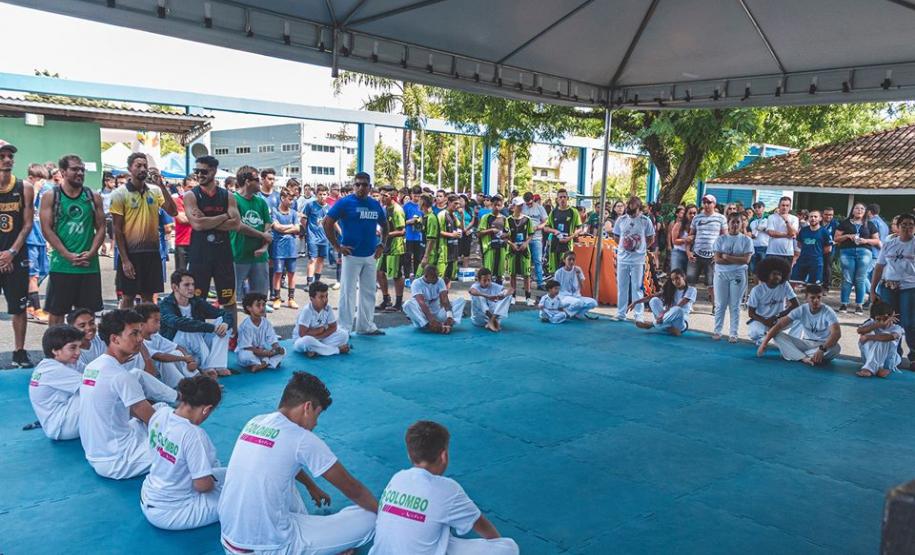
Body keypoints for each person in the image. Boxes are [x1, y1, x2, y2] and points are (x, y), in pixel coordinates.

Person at [217, 372, 377, 555]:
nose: (316, 424)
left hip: (230, 541)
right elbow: (352, 488)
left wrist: (311, 486)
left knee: (277, 477)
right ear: (307, 407)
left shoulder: (256, 422)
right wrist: (386, 515)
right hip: (271, 548)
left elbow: (281, 461)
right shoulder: (302, 438)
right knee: (369, 517)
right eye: (317, 415)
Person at [369, 420, 519, 555]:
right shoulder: (448, 489)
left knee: (436, 532)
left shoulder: (397, 478)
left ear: (409, 455)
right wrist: (497, 544)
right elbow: (481, 525)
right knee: (509, 548)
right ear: (444, 456)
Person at [79, 309, 176, 480]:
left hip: (96, 452)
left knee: (161, 408)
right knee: (179, 442)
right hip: (118, 460)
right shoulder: (120, 375)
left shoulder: (93, 366)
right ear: (114, 339)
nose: (140, 339)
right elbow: (153, 420)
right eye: (134, 334)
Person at [141, 375, 224, 531]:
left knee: (230, 474)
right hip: (173, 512)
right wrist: (213, 482)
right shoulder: (193, 434)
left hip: (149, 495)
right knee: (240, 497)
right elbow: (202, 486)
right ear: (206, 409)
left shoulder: (161, 412)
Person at [40, 154, 105, 327]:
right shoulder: (51, 196)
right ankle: (55, 352)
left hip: (88, 267)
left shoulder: (93, 196)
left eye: (82, 169)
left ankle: (85, 352)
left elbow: (102, 228)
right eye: (75, 169)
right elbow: (46, 229)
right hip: (62, 265)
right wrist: (66, 254)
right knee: (57, 314)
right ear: (63, 171)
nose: (80, 173)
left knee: (87, 316)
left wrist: (91, 253)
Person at [111, 153, 178, 308]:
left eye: (145, 166)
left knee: (149, 297)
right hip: (131, 254)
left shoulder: (155, 191)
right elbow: (117, 229)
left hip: (152, 252)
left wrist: (161, 185)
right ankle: (125, 329)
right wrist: (125, 260)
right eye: (138, 165)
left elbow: (173, 211)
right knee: (128, 297)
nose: (142, 169)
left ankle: (148, 331)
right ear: (130, 169)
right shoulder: (119, 193)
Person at [324, 172, 386, 336]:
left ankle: (365, 326)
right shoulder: (345, 203)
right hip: (351, 255)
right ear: (353, 186)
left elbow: (385, 224)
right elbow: (327, 222)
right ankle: (344, 328)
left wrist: (382, 245)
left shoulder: (374, 204)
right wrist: (337, 247)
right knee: (347, 292)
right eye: (357, 184)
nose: (361, 187)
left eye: (364, 184)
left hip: (371, 255)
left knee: (369, 291)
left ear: (370, 187)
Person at [183, 156, 240, 321]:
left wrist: (207, 219)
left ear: (214, 171)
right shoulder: (191, 196)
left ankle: (232, 337)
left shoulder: (227, 195)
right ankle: (198, 337)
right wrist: (224, 216)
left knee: (228, 301)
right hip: (200, 255)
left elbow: (236, 224)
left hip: (223, 254)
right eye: (196, 171)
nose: (199, 175)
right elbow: (198, 225)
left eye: (203, 171)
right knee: (197, 301)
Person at [159, 270, 233, 378]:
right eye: (186, 285)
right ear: (175, 287)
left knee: (223, 323)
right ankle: (206, 368)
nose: (191, 288)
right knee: (190, 327)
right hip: (176, 349)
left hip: (197, 348)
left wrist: (225, 324)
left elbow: (224, 313)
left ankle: (217, 365)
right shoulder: (165, 304)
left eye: (193, 284)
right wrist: (211, 328)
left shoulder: (196, 301)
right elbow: (177, 323)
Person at [0, 142, 35, 367]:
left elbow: (27, 224)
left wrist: (11, 253)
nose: (7, 160)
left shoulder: (25, 187)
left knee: (19, 307)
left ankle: (20, 350)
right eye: (2, 156)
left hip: (16, 255)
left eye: (9, 156)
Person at [757, 284, 841, 366]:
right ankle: (804, 358)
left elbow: (836, 334)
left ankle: (795, 355)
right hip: (805, 343)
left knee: (836, 348)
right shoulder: (801, 309)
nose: (816, 300)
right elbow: (779, 325)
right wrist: (764, 344)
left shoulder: (828, 312)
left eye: (819, 297)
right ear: (806, 298)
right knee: (777, 335)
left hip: (823, 344)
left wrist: (822, 349)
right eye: (812, 298)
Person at [870, 212, 914, 364]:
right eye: (904, 225)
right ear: (898, 227)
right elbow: (879, 267)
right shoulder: (889, 243)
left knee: (909, 322)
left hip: (910, 288)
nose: (907, 228)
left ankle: (913, 355)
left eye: (911, 225)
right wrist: (873, 290)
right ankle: (894, 355)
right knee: (890, 321)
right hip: (888, 287)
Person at [28, 324, 85, 440]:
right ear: (55, 350)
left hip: (61, 421)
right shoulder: (52, 369)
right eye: (73, 348)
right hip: (61, 427)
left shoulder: (68, 363)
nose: (78, 352)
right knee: (95, 389)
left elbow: (95, 372)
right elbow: (98, 382)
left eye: (79, 347)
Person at [231, 166, 273, 305]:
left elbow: (268, 227)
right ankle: (232, 327)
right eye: (257, 179)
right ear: (248, 181)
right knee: (231, 300)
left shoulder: (260, 202)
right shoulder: (233, 199)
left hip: (260, 258)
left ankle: (261, 327)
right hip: (238, 256)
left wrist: (265, 247)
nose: (260, 182)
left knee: (260, 301)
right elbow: (238, 226)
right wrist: (262, 236)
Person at [133, 303, 200, 388]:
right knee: (165, 360)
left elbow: (178, 347)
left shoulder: (155, 336)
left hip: (161, 373)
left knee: (176, 353)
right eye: (156, 321)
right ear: (141, 324)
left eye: (159, 320)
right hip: (149, 376)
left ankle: (198, 380)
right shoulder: (139, 341)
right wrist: (184, 358)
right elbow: (159, 356)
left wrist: (190, 361)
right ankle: (183, 386)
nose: (159, 324)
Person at [612, 196, 655, 321]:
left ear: (638, 206)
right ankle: (621, 313)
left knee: (637, 287)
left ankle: (638, 315)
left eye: (633, 205)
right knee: (622, 286)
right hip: (623, 259)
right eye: (628, 204)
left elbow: (651, 238)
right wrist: (624, 247)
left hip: (638, 260)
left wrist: (641, 248)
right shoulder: (621, 220)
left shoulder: (645, 221)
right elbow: (616, 236)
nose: (629, 207)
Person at [712, 213, 753, 342]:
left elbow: (746, 260)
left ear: (742, 224)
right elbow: (717, 259)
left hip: (738, 275)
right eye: (732, 222)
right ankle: (717, 331)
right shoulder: (721, 239)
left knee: (735, 305)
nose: (735, 225)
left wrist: (727, 257)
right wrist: (736, 260)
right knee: (720, 304)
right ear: (728, 223)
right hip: (721, 274)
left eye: (737, 222)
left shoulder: (746, 240)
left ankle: (733, 333)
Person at [835, 202, 881, 314]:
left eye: (862, 208)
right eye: (857, 208)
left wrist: (866, 240)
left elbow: (876, 241)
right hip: (847, 251)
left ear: (865, 211)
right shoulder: (845, 223)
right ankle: (844, 304)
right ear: (853, 210)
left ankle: (859, 305)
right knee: (847, 278)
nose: (859, 210)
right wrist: (847, 236)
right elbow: (836, 238)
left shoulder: (869, 224)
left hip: (864, 251)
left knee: (860, 278)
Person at [746, 256, 799, 345]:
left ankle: (789, 341)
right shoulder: (757, 290)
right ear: (767, 274)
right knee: (754, 333)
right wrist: (765, 321)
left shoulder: (784, 285)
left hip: (779, 319)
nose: (778, 277)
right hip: (761, 320)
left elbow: (796, 305)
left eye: (780, 274)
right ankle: (763, 339)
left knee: (799, 320)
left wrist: (777, 316)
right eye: (774, 274)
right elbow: (751, 313)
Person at [687, 194, 726, 307]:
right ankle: (688, 305)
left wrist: (720, 254)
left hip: (712, 256)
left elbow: (725, 238)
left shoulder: (721, 218)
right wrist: (688, 252)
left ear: (714, 204)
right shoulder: (697, 217)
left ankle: (715, 307)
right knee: (690, 282)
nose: (706, 205)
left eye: (709, 202)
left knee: (712, 284)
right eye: (704, 202)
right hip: (696, 254)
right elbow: (690, 237)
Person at [293, 280, 351, 357]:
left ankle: (316, 350)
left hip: (320, 339)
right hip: (302, 341)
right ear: (311, 298)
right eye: (321, 297)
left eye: (326, 296)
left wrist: (322, 335)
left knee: (344, 334)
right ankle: (337, 350)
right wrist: (318, 331)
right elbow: (302, 334)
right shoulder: (307, 310)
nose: (324, 300)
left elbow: (333, 327)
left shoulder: (328, 308)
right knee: (307, 341)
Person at [630, 269, 696, 336]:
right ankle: (668, 328)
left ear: (683, 277)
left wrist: (662, 315)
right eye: (673, 280)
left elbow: (679, 305)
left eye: (677, 278)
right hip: (667, 319)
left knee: (678, 310)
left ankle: (653, 324)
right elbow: (651, 296)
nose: (675, 281)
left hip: (679, 323)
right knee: (654, 300)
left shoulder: (691, 290)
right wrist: (635, 302)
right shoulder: (671, 290)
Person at [404, 264, 466, 334]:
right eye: (433, 277)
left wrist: (449, 316)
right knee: (407, 304)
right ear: (426, 276)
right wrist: (431, 321)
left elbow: (445, 300)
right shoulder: (416, 283)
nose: (436, 278)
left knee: (461, 300)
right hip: (424, 316)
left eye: (437, 276)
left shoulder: (440, 281)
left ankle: (448, 324)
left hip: (438, 314)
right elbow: (422, 303)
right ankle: (428, 326)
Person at [25, 163, 51, 323]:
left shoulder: (45, 192)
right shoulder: (27, 190)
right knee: (32, 276)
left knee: (44, 270)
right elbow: (26, 208)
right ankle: (36, 309)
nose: (42, 182)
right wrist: (34, 189)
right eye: (39, 179)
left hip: (41, 239)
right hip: (29, 240)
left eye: (44, 179)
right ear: (31, 178)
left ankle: (29, 301)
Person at [236, 292, 285, 372]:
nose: (262, 308)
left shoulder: (266, 323)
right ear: (249, 308)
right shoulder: (245, 326)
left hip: (262, 352)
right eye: (258, 305)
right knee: (245, 356)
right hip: (251, 353)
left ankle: (261, 364)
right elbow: (248, 347)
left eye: (264, 305)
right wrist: (266, 354)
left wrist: (277, 348)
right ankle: (266, 363)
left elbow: (273, 340)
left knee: (283, 351)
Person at [376, 185, 406, 312]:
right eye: (381, 195)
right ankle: (386, 299)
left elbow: (402, 230)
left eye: (385, 195)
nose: (382, 197)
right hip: (385, 245)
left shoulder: (397, 210)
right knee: (379, 272)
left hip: (396, 247)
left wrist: (386, 234)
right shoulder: (384, 208)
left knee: (396, 275)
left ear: (392, 196)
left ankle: (398, 303)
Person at [856, 301, 905, 378]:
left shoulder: (897, 328)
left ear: (891, 315)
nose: (882, 322)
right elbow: (859, 330)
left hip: (888, 362)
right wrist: (877, 325)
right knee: (867, 332)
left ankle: (870, 369)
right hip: (868, 358)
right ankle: (878, 368)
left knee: (885, 336)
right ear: (874, 318)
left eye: (885, 318)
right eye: (878, 319)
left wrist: (868, 337)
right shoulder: (872, 323)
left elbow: (891, 337)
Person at [270, 187, 301, 309]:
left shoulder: (293, 213)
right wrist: (290, 226)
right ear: (282, 198)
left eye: (293, 199)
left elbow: (298, 229)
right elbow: (276, 228)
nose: (292, 202)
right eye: (290, 199)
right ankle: (276, 298)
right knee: (277, 272)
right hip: (278, 247)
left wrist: (285, 228)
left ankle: (291, 298)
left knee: (292, 273)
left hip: (292, 247)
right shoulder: (274, 211)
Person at [544, 188, 581, 275]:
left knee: (566, 269)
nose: (562, 199)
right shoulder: (553, 212)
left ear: (568, 198)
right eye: (560, 197)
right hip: (554, 244)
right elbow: (546, 227)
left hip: (567, 246)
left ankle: (566, 288)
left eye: (564, 197)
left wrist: (570, 237)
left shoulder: (573, 212)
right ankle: (557, 287)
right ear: (557, 199)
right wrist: (554, 231)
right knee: (555, 272)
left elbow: (580, 228)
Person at [506, 198, 535, 306]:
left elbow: (531, 234)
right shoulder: (508, 220)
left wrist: (525, 243)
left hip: (524, 249)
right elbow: (505, 236)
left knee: (526, 274)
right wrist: (511, 244)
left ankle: (528, 297)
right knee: (512, 274)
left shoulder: (527, 219)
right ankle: (512, 296)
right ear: (513, 206)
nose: (520, 207)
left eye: (522, 205)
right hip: (512, 249)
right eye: (518, 205)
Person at [553, 251, 598, 319]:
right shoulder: (558, 272)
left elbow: (582, 287)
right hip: (564, 297)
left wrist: (578, 276)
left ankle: (575, 314)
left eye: (573, 259)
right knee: (579, 303)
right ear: (564, 260)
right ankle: (566, 312)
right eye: (569, 259)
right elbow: (555, 289)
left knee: (593, 303)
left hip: (577, 297)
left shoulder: (578, 269)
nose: (571, 262)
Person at [792, 210, 833, 285]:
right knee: (793, 281)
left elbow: (828, 249)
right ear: (808, 218)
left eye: (815, 217)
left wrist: (817, 253)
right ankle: (791, 297)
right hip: (802, 260)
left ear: (820, 218)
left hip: (816, 262)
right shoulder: (803, 230)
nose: (813, 218)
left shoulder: (824, 232)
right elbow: (799, 244)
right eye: (811, 216)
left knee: (814, 286)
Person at [303, 184, 331, 285]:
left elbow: (332, 223)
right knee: (312, 259)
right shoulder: (310, 205)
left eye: (324, 194)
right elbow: (303, 219)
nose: (322, 196)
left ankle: (317, 281)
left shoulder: (330, 208)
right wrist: (308, 231)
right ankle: (309, 283)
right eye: (320, 194)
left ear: (327, 195)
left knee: (321, 260)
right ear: (316, 195)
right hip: (312, 238)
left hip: (324, 239)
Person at [469, 267, 512, 332]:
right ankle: (491, 320)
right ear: (479, 280)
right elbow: (471, 291)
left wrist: (503, 295)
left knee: (508, 296)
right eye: (484, 280)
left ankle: (492, 320)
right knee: (479, 295)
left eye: (489, 280)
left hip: (496, 318)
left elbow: (511, 290)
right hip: (480, 319)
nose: (487, 282)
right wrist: (487, 296)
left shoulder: (494, 286)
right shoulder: (475, 286)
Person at [521, 191, 548, 290]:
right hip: (525, 238)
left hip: (536, 238)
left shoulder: (540, 208)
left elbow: (545, 221)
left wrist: (538, 227)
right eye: (527, 203)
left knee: (537, 261)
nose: (528, 205)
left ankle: (540, 283)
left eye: (530, 203)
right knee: (526, 261)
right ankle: (526, 283)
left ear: (533, 200)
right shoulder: (522, 207)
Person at [478, 195, 508, 284]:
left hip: (501, 248)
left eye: (499, 205)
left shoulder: (504, 218)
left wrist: (505, 235)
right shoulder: (486, 217)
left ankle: (498, 294)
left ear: (502, 205)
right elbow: (479, 233)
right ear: (491, 204)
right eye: (495, 205)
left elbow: (508, 232)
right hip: (489, 248)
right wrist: (491, 230)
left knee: (500, 274)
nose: (497, 207)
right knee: (488, 273)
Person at [763, 196, 799, 268]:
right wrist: (786, 235)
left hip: (787, 253)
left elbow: (792, 233)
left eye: (787, 205)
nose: (785, 207)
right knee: (770, 275)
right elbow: (771, 233)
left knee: (785, 276)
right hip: (772, 252)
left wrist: (786, 221)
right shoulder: (771, 217)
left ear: (790, 207)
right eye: (783, 205)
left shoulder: (794, 218)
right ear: (779, 206)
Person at [437, 194, 464, 286]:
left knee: (449, 277)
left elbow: (461, 228)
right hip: (444, 250)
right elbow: (438, 232)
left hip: (454, 249)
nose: (457, 206)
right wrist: (452, 234)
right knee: (441, 277)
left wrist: (462, 216)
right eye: (455, 203)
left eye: (459, 204)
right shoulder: (442, 215)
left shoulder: (454, 215)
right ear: (449, 202)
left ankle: (445, 297)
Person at [172, 176, 196, 271]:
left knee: (197, 275)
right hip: (182, 243)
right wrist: (199, 217)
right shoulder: (177, 201)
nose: (193, 190)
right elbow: (181, 219)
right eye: (190, 187)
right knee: (181, 274)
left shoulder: (201, 202)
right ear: (184, 187)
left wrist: (188, 216)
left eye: (195, 187)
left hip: (197, 243)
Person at [402, 185, 425, 281]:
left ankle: (417, 276)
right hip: (409, 236)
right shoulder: (406, 206)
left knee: (418, 258)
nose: (417, 198)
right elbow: (401, 222)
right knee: (407, 257)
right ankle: (407, 276)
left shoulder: (422, 206)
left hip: (419, 236)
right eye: (415, 196)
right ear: (411, 194)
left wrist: (421, 222)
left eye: (419, 196)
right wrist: (410, 221)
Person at [821, 207, 839, 292]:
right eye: (826, 214)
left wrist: (834, 242)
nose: (828, 216)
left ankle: (826, 286)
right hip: (817, 247)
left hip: (830, 248)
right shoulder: (818, 222)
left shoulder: (835, 224)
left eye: (831, 215)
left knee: (827, 266)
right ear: (822, 214)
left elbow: (838, 237)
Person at [748, 201, 768, 275]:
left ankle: (763, 285)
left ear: (763, 208)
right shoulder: (752, 221)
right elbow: (749, 231)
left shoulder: (768, 219)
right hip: (753, 247)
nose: (757, 209)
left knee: (764, 269)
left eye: (759, 207)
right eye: (755, 207)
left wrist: (764, 229)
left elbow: (772, 232)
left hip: (764, 247)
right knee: (754, 269)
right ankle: (756, 285)